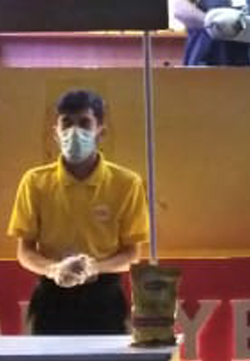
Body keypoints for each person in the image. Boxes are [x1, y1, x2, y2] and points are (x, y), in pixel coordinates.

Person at [8, 88, 150, 335]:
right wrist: (54, 269)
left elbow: (132, 254)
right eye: (67, 123)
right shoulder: (35, 182)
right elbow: (25, 251)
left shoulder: (127, 183)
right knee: (49, 360)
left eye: (84, 123)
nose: (74, 132)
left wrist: (93, 268)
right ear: (56, 132)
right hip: (52, 297)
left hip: (104, 297)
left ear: (101, 131)